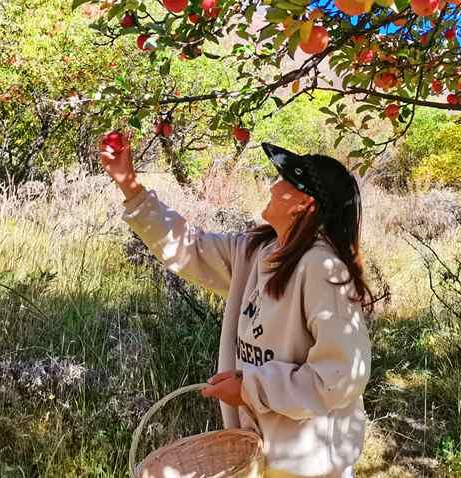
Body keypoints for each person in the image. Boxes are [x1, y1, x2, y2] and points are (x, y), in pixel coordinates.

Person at [101, 134, 375, 478]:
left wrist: (249, 389)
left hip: (308, 464)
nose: (272, 185)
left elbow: (341, 376)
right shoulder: (258, 251)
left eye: (283, 180)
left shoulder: (322, 268)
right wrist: (130, 186)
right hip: (257, 452)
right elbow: (190, 248)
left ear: (303, 204)